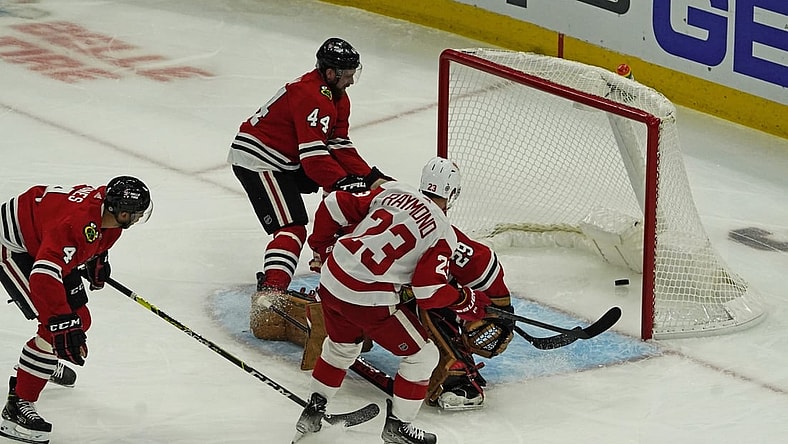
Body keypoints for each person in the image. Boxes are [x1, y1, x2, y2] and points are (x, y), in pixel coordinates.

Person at [292, 157, 492, 444]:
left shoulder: (394, 191)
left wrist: (322, 249)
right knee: (424, 356)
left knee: (341, 346)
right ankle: (399, 426)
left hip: (333, 277)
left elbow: (334, 203)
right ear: (453, 194)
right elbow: (427, 289)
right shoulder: (444, 232)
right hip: (367, 296)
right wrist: (465, 301)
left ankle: (314, 410)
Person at [226, 37, 390, 323]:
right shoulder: (310, 95)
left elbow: (339, 144)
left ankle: (328, 257)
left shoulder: (337, 98)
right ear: (330, 73)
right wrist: (343, 183)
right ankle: (272, 291)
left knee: (343, 188)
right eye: (348, 75)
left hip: (286, 159)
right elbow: (314, 158)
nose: (352, 81)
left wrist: (370, 177)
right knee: (292, 227)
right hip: (260, 159)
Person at [0, 176, 152, 443]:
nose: (139, 218)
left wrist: (97, 258)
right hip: (15, 246)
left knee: (79, 320)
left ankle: (41, 362)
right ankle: (18, 403)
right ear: (123, 212)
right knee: (55, 328)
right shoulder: (77, 224)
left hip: (45, 240)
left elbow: (89, 238)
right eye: (137, 214)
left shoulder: (109, 214)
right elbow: (44, 276)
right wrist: (60, 323)